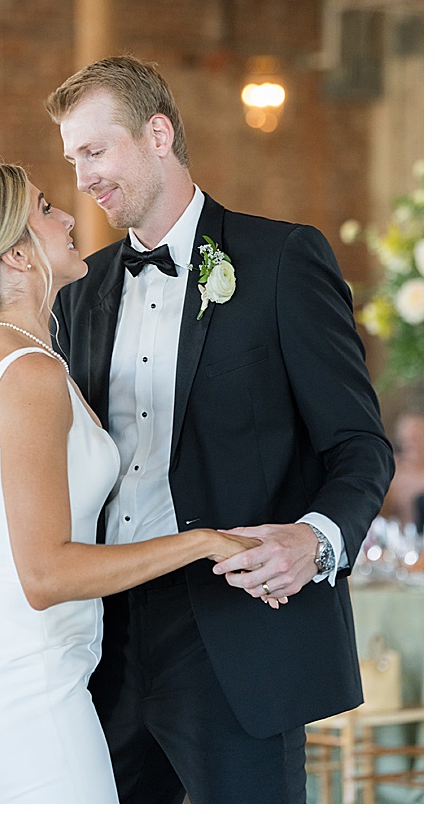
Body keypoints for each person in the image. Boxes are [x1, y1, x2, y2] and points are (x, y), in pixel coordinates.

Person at [46, 56, 393, 802]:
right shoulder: (81, 290)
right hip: (102, 633)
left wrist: (317, 537)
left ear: (159, 134)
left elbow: (359, 444)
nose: (83, 178)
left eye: (96, 151)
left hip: (236, 625)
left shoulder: (281, 261)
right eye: (73, 158)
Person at [0, 163, 263, 803]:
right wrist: (203, 542)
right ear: (17, 252)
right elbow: (46, 576)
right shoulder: (29, 373)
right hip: (27, 686)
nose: (69, 217)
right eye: (46, 209)